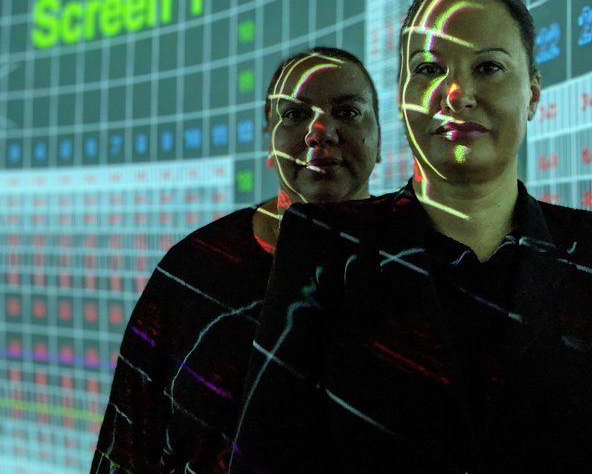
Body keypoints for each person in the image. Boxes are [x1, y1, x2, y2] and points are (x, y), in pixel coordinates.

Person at [230, 0, 592, 473]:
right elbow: (267, 458)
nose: (456, 93)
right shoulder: (323, 247)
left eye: (489, 67)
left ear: (533, 93)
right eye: (428, 69)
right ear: (403, 96)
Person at [91, 47, 381, 472]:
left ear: (379, 143)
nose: (320, 132)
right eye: (296, 115)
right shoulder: (194, 270)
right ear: (269, 142)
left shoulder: (414, 267)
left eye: (348, 113)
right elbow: (128, 441)